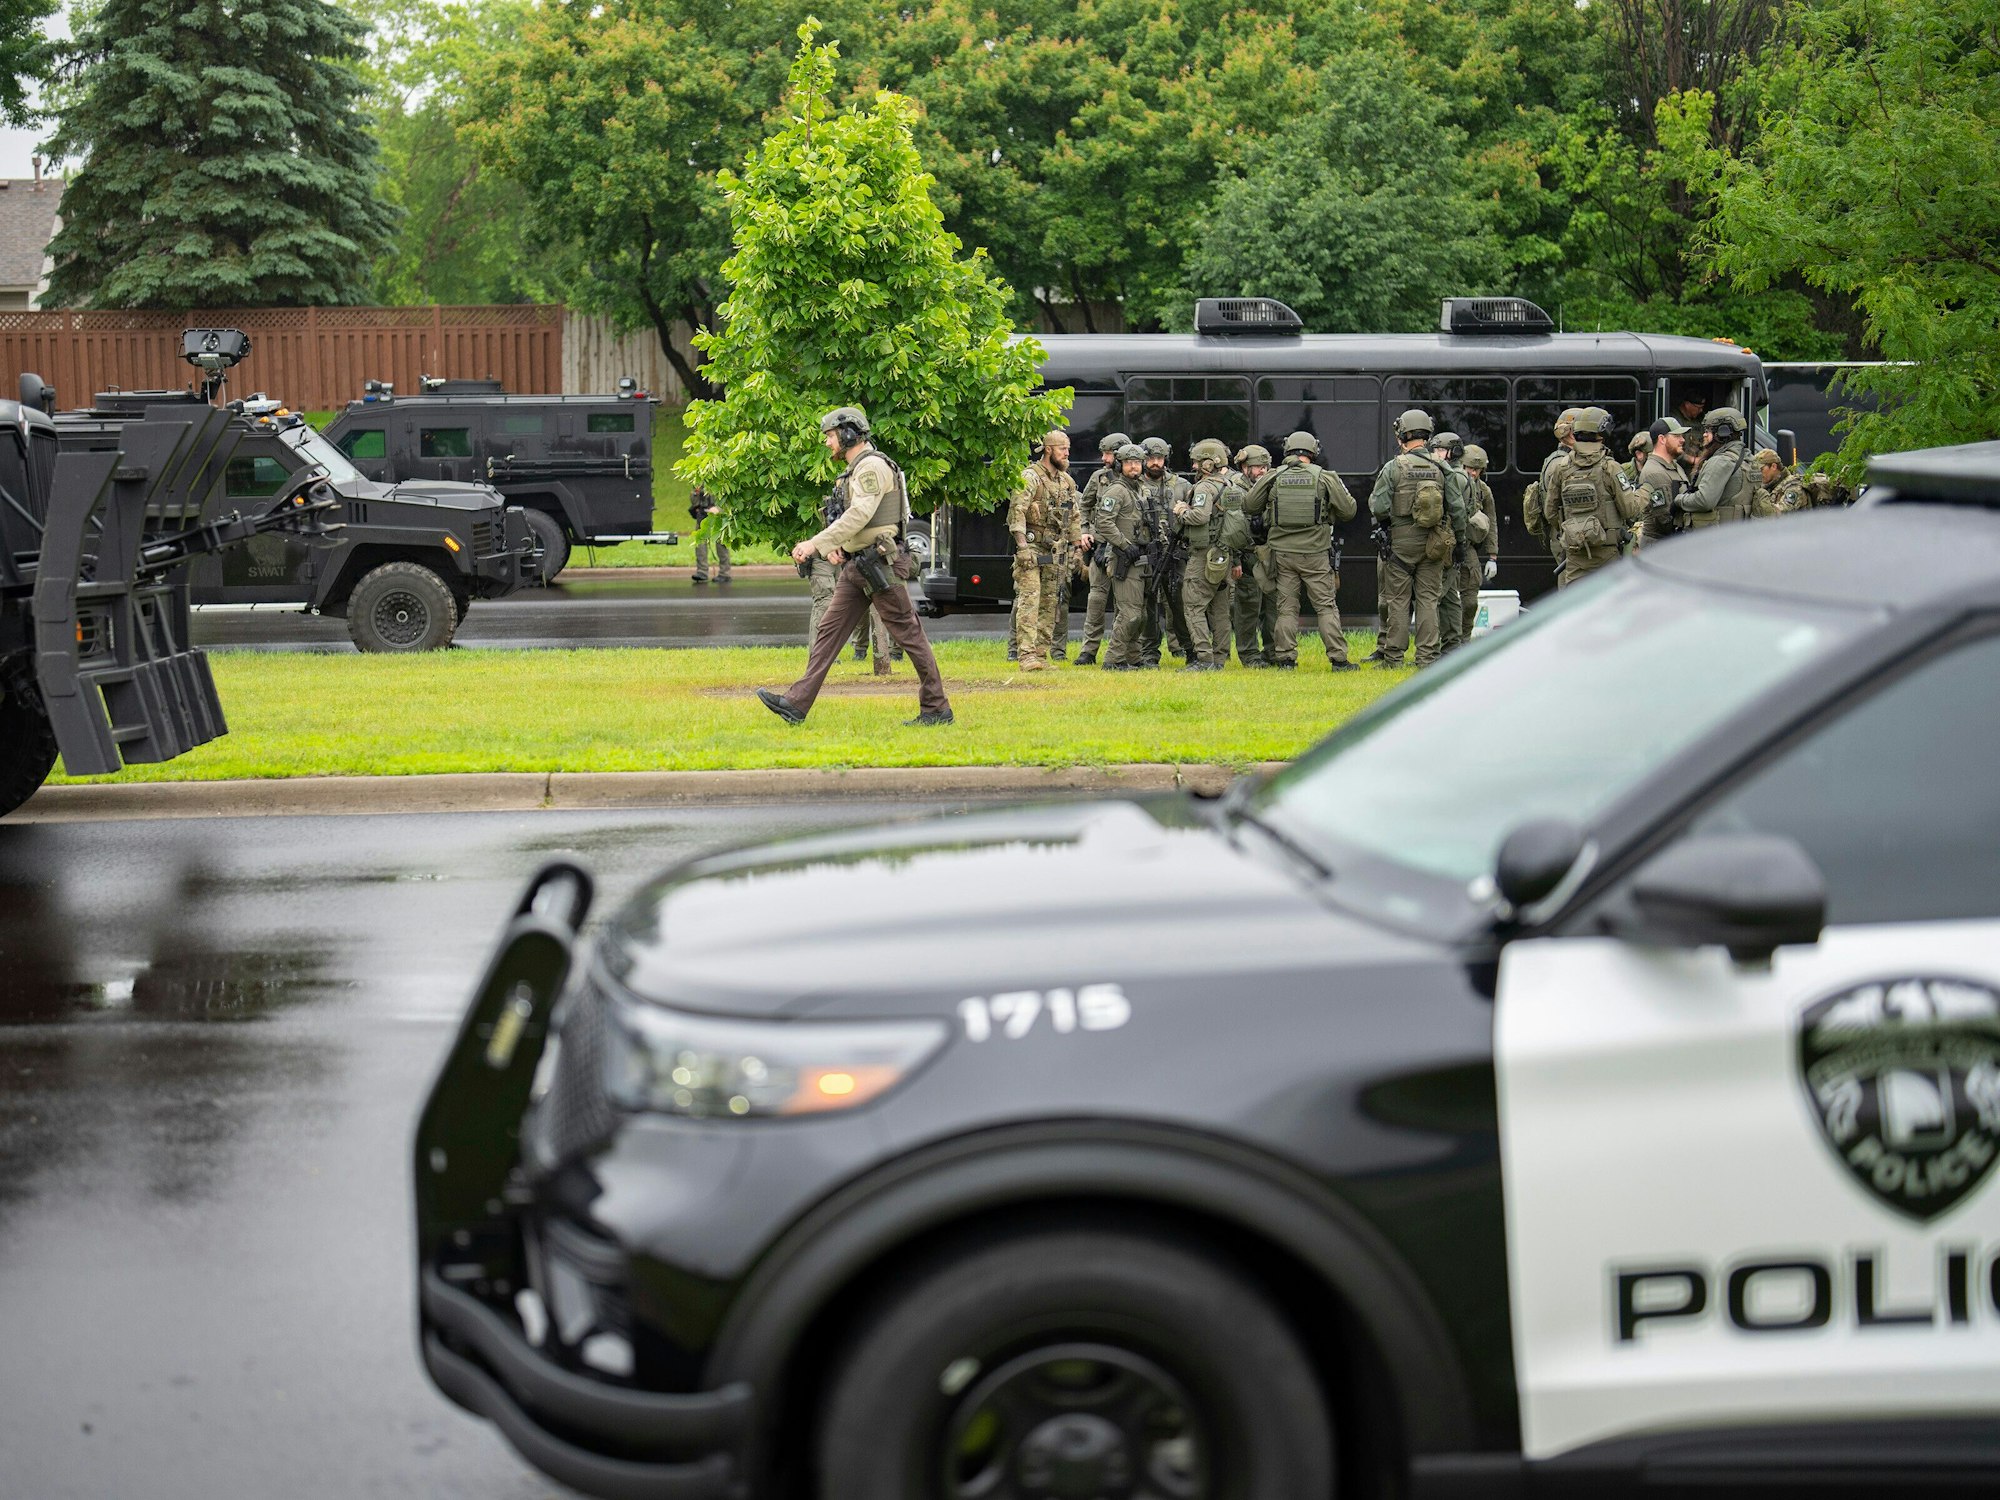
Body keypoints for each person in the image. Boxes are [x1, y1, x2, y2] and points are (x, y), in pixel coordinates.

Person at [758, 407, 952, 726]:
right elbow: (862, 522)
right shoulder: (856, 469)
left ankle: (937, 708)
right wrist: (841, 548)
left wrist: (816, 544)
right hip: (859, 566)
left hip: (880, 566)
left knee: (910, 635)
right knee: (829, 631)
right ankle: (795, 703)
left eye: (830, 436)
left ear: (849, 434)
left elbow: (861, 514)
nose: (827, 443)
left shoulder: (871, 467)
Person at [1244, 430, 1358, 671]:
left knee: (1286, 609)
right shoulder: (1324, 477)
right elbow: (1349, 511)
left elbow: (1250, 505)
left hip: (1282, 555)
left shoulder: (1274, 476)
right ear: (1313, 451)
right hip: (1316, 555)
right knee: (1326, 607)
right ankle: (1339, 660)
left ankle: (1286, 659)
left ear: (1288, 450)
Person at [1369, 409, 1454, 668]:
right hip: (1433, 543)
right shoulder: (1442, 467)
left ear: (1401, 436)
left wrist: (1390, 524)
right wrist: (1459, 541)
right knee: (1428, 600)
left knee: (1398, 601)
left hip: (1400, 544)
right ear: (1427, 435)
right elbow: (1457, 507)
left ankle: (1393, 658)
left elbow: (1379, 506)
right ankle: (1427, 658)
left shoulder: (1393, 467)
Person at [1007, 430, 1083, 671]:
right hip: (1031, 548)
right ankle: (1026, 655)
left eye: (1068, 448)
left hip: (1055, 550)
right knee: (1030, 599)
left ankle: (1040, 654)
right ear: (1049, 449)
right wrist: (1022, 548)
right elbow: (1017, 512)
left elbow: (1074, 517)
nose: (1067, 453)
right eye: (1063, 449)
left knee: (1050, 603)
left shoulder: (1066, 481)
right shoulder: (1030, 477)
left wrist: (1077, 549)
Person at [1545, 406, 1644, 586]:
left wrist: (1575, 530)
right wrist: (1645, 492)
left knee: (1577, 602)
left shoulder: (1562, 468)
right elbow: (1629, 510)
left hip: (1575, 556)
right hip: (1607, 555)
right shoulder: (1610, 467)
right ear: (1602, 432)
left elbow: (1550, 512)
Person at [1173, 438, 1237, 670]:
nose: (1194, 466)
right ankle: (1219, 659)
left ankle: (1203, 659)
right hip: (1223, 554)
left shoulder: (1203, 487)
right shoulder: (1231, 486)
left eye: (1197, 462)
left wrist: (1181, 511)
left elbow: (1200, 516)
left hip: (1203, 555)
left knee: (1193, 606)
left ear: (1209, 463)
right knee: (1220, 610)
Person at [1091, 443, 1155, 670]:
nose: (1133, 467)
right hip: (1124, 559)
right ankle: (1113, 659)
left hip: (1143, 558)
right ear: (1120, 465)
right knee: (1129, 613)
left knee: (1141, 614)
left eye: (1137, 462)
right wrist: (1124, 545)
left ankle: (1134, 657)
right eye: (1129, 463)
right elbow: (1103, 522)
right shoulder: (1116, 490)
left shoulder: (1142, 489)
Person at [1072, 432, 1131, 666]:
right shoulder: (1098, 478)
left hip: (1126, 552)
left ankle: (1124, 652)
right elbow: (1084, 508)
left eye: (1107, 454)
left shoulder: (1137, 481)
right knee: (1096, 600)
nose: (1103, 459)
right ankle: (1088, 651)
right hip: (1099, 550)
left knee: (1126, 605)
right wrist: (1084, 531)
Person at [1137, 437, 1192, 665]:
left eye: (1159, 458)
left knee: (1180, 604)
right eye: (1151, 458)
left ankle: (1190, 649)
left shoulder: (1182, 485)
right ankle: (1149, 652)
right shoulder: (1134, 485)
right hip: (1147, 552)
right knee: (1148, 603)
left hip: (1176, 553)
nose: (1155, 463)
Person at [1227, 444, 1277, 666]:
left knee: (1273, 607)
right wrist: (1235, 559)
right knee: (1248, 608)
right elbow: (1230, 529)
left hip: (1270, 554)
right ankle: (1249, 655)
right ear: (1244, 467)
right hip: (1247, 555)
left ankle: (1273, 652)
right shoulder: (1234, 490)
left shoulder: (1271, 487)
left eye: (1265, 466)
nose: (1262, 471)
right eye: (1257, 467)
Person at [1677, 406, 1755, 528]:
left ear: (1722, 433)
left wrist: (1679, 500)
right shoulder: (1748, 458)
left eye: (1708, 430)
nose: (1704, 435)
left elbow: (1704, 501)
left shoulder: (1720, 461)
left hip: (1719, 535)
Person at [1432, 432, 1473, 655]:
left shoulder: (1454, 476)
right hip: (1451, 540)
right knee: (1449, 597)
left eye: (1440, 450)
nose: (1435, 454)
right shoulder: (1457, 474)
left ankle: (1438, 649)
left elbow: (1456, 511)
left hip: (1448, 541)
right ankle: (1451, 646)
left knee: (1437, 595)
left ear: (1453, 452)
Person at [1460, 443, 1499, 642]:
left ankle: (1464, 641)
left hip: (1467, 548)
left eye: (1477, 469)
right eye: (1470, 468)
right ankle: (1445, 643)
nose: (1473, 473)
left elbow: (1491, 522)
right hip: (1444, 548)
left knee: (1470, 602)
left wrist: (1492, 556)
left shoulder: (1483, 491)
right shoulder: (1449, 483)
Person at [1634, 418, 1689, 548]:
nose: (1682, 440)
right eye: (1676, 436)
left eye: (1682, 436)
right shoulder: (1655, 472)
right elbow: (1664, 520)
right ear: (1662, 439)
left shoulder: (1674, 466)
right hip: (1659, 547)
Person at [688, 486, 731, 584]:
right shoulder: (700, 482)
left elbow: (730, 498)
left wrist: (719, 509)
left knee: (721, 544)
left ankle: (724, 573)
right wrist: (696, 495)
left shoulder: (723, 480)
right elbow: (693, 500)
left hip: (719, 516)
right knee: (700, 544)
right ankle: (702, 572)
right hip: (703, 514)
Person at [1754, 448, 1804, 515]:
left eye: (1761, 469)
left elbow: (1783, 512)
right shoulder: (1768, 487)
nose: (1759, 473)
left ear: (1773, 466)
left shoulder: (1793, 486)